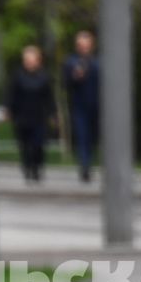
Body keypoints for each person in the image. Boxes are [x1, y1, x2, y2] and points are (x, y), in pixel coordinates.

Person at [7, 44, 57, 182]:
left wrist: (53, 113)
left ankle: (37, 167)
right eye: (27, 60)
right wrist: (9, 109)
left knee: (38, 145)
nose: (29, 62)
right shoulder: (18, 76)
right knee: (24, 145)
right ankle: (27, 167)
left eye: (32, 60)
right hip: (22, 115)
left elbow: (49, 97)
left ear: (38, 60)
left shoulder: (44, 77)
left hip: (39, 116)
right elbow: (12, 94)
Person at [63, 29, 101, 182]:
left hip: (96, 106)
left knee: (92, 137)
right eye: (81, 45)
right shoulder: (71, 62)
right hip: (79, 106)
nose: (84, 48)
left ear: (91, 45)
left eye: (87, 45)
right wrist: (75, 77)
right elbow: (66, 84)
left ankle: (89, 161)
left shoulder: (98, 63)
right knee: (82, 136)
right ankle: (84, 166)